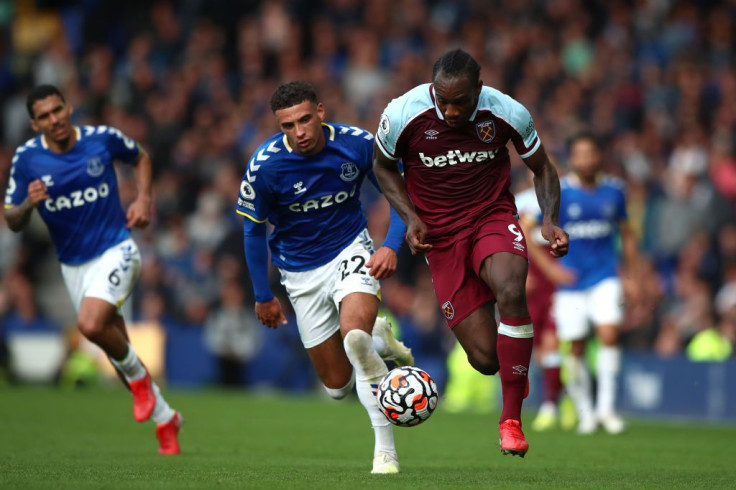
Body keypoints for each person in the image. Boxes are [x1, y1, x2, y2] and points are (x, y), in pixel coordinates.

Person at [372, 49, 569, 458]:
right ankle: (515, 367)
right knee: (485, 359)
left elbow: (543, 168)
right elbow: (383, 167)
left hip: (490, 216)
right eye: (442, 100)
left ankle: (511, 420)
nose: (449, 110)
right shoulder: (403, 113)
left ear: (478, 90)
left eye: (459, 101)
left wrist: (549, 219)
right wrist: (409, 217)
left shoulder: (507, 112)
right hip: (440, 238)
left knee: (512, 287)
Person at [236, 81, 413, 474]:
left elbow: (399, 193)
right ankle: (380, 335)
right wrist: (263, 294)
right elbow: (252, 230)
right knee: (336, 386)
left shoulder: (356, 145)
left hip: (351, 250)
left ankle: (385, 451)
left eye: (304, 120)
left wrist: (390, 246)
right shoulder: (265, 167)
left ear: (320, 112)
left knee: (355, 337)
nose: (298, 132)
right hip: (299, 274)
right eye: (287, 126)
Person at [3, 85, 182, 454]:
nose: (54, 120)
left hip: (117, 248)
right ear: (35, 123)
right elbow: (12, 219)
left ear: (69, 107)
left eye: (58, 110)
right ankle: (166, 418)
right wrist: (27, 204)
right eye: (45, 116)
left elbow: (142, 157)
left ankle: (143, 386)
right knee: (118, 351)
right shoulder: (26, 159)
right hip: (73, 266)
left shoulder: (101, 138)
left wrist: (144, 198)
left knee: (89, 324)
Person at [553, 132, 641, 434]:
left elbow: (627, 234)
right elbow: (528, 229)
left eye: (591, 153)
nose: (586, 159)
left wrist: (631, 276)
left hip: (606, 276)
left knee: (608, 334)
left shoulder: (615, 190)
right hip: (570, 281)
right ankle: (585, 412)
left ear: (598, 156)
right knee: (575, 346)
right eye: (579, 154)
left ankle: (606, 410)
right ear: (572, 158)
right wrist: (550, 271)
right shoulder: (560, 191)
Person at [515, 178, 575, 431]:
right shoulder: (522, 202)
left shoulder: (565, 199)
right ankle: (565, 396)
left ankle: (551, 405)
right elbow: (517, 238)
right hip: (534, 280)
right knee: (540, 350)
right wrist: (522, 270)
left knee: (553, 340)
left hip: (557, 282)